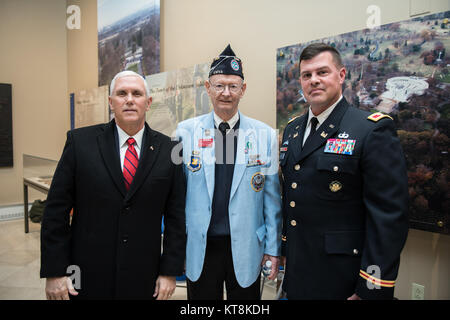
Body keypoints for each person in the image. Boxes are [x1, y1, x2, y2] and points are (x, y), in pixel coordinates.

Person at [40, 70, 186, 300]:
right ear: (111, 102)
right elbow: (55, 211)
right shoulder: (80, 143)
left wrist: (169, 271)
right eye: (122, 93)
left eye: (136, 93)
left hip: (143, 276)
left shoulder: (170, 150)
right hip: (86, 275)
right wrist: (55, 271)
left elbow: (176, 218)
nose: (129, 99)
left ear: (148, 103)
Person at [280, 43, 409, 300]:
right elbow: (293, 197)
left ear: (341, 75)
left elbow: (388, 217)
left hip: (343, 278)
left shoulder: (370, 129)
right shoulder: (293, 130)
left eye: (322, 72)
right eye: (307, 75)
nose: (314, 80)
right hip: (298, 271)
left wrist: (370, 287)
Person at [176, 45, 282, 300]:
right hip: (201, 246)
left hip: (246, 247)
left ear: (243, 90)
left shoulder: (265, 136)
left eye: (233, 86)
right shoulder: (184, 133)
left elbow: (272, 199)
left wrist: (273, 249)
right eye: (219, 85)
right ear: (207, 88)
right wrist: (176, 248)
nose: (226, 93)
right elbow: (176, 198)